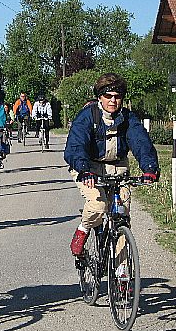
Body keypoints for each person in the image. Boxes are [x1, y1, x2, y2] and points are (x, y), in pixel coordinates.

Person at [64, 73, 160, 256]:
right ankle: (84, 229)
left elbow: (141, 142)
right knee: (98, 207)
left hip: (118, 169)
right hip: (89, 168)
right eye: (108, 96)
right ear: (100, 97)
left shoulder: (128, 118)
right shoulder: (87, 117)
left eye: (117, 96)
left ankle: (122, 272)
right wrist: (84, 170)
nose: (113, 100)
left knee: (121, 217)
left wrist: (149, 169)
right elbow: (76, 146)